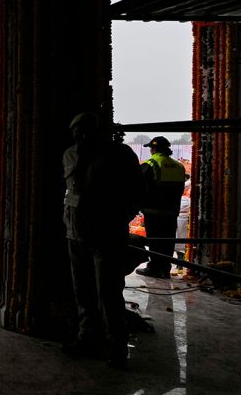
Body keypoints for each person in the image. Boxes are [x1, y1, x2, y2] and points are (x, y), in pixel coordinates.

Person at [61, 112, 145, 368]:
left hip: (106, 234)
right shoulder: (70, 154)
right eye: (76, 131)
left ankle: (117, 346)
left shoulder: (119, 155)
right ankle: (86, 338)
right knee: (83, 291)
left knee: (108, 293)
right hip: (75, 233)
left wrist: (117, 217)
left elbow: (137, 192)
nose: (81, 135)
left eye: (85, 130)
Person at [136, 135, 185, 279]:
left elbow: (138, 185)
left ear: (154, 149)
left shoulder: (151, 164)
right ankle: (165, 269)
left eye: (151, 148)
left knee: (155, 241)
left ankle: (155, 268)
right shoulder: (179, 166)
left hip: (154, 211)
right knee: (168, 241)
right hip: (171, 212)